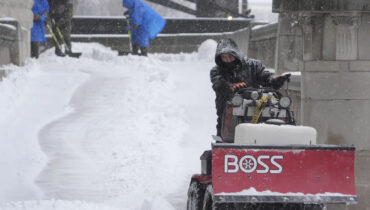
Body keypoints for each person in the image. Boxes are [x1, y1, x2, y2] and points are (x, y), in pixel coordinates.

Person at [210, 39, 291, 136]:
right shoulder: (216, 71)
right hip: (228, 114)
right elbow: (219, 84)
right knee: (226, 138)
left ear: (236, 55)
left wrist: (276, 80)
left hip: (255, 109)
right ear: (220, 58)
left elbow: (267, 79)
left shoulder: (253, 65)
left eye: (231, 56)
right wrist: (232, 87)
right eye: (224, 57)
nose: (228, 60)